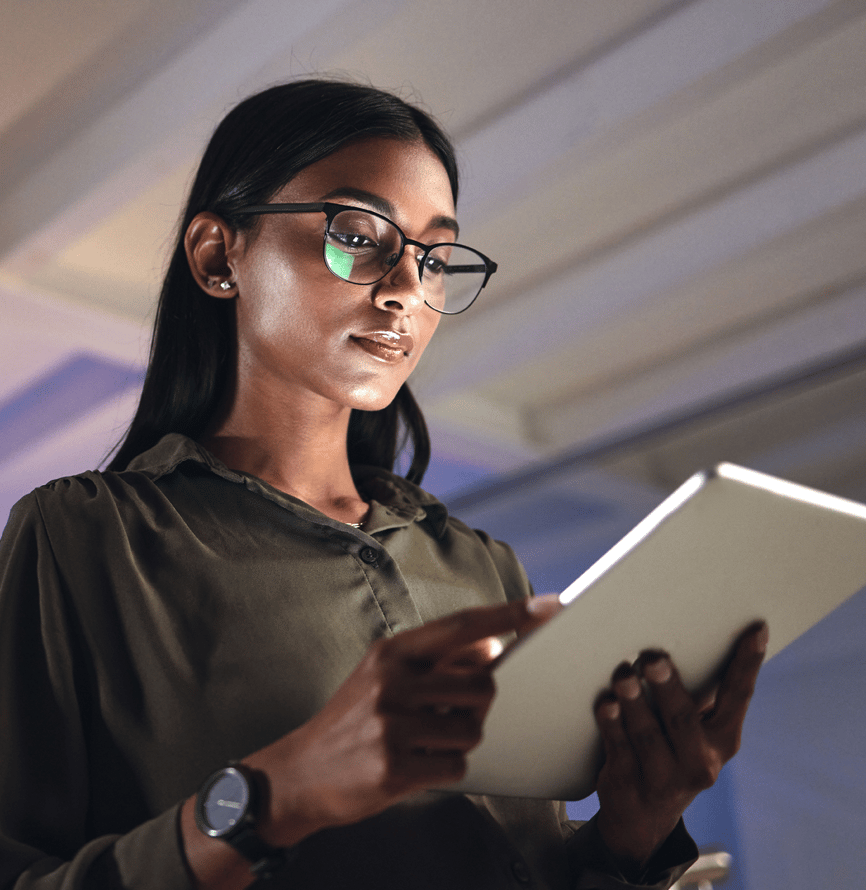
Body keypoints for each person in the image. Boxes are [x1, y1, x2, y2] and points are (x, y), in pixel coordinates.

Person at [0, 79, 766, 890]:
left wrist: (629, 834)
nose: (407, 288)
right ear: (219, 256)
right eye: (360, 234)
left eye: (434, 256)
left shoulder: (482, 568)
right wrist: (275, 794)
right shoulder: (86, 538)